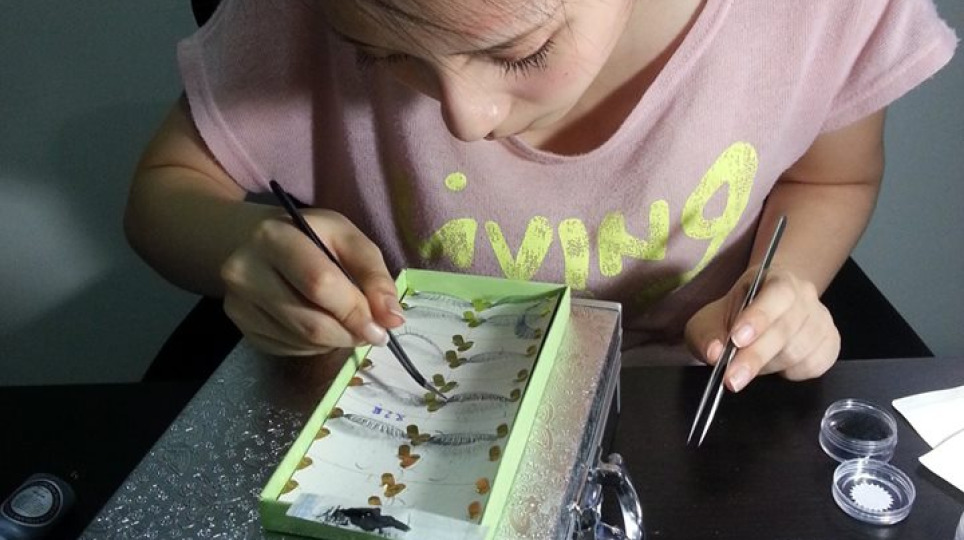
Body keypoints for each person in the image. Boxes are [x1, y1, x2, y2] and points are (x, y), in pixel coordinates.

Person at [124, 0, 956, 392]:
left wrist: (782, 285)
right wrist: (240, 248)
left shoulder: (814, 15)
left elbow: (832, 176)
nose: (466, 118)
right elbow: (164, 193)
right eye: (383, 57)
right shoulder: (299, 13)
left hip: (684, 394)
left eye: (522, 53)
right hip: (421, 396)